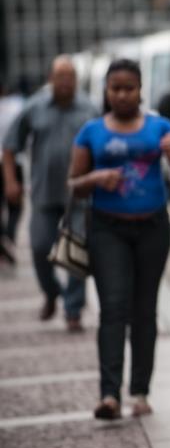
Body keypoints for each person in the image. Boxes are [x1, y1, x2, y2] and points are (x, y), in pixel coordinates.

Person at [68, 59, 170, 420]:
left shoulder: (161, 128)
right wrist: (95, 179)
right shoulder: (90, 132)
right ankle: (109, 395)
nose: (122, 95)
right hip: (108, 230)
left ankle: (139, 392)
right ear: (106, 91)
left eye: (129, 88)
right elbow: (73, 184)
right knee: (113, 309)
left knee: (144, 310)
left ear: (141, 90)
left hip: (153, 228)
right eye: (115, 88)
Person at [2, 57, 99, 330]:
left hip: (79, 195)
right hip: (43, 194)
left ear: (76, 80)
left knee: (77, 252)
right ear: (51, 78)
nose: (66, 82)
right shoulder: (34, 107)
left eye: (70, 76)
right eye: (60, 76)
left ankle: (73, 310)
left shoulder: (89, 109)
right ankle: (53, 291)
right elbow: (10, 146)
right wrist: (11, 182)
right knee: (40, 247)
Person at [0, 83, 24, 263]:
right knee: (16, 205)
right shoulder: (17, 105)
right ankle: (8, 236)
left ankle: (5, 238)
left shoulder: (16, 105)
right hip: (14, 161)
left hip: (11, 160)